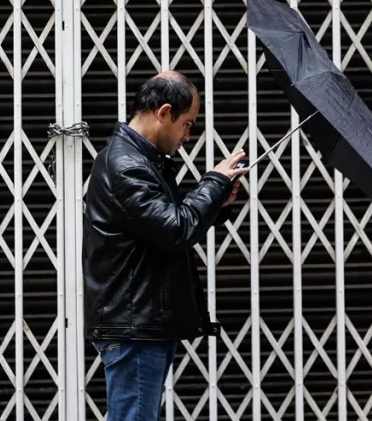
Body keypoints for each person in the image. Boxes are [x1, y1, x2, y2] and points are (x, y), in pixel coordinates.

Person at [82, 70, 249, 421]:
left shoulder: (140, 160)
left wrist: (216, 202)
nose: (188, 135)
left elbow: (162, 224)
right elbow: (176, 229)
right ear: (164, 113)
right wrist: (214, 183)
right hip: (134, 325)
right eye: (187, 124)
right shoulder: (127, 165)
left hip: (138, 321)